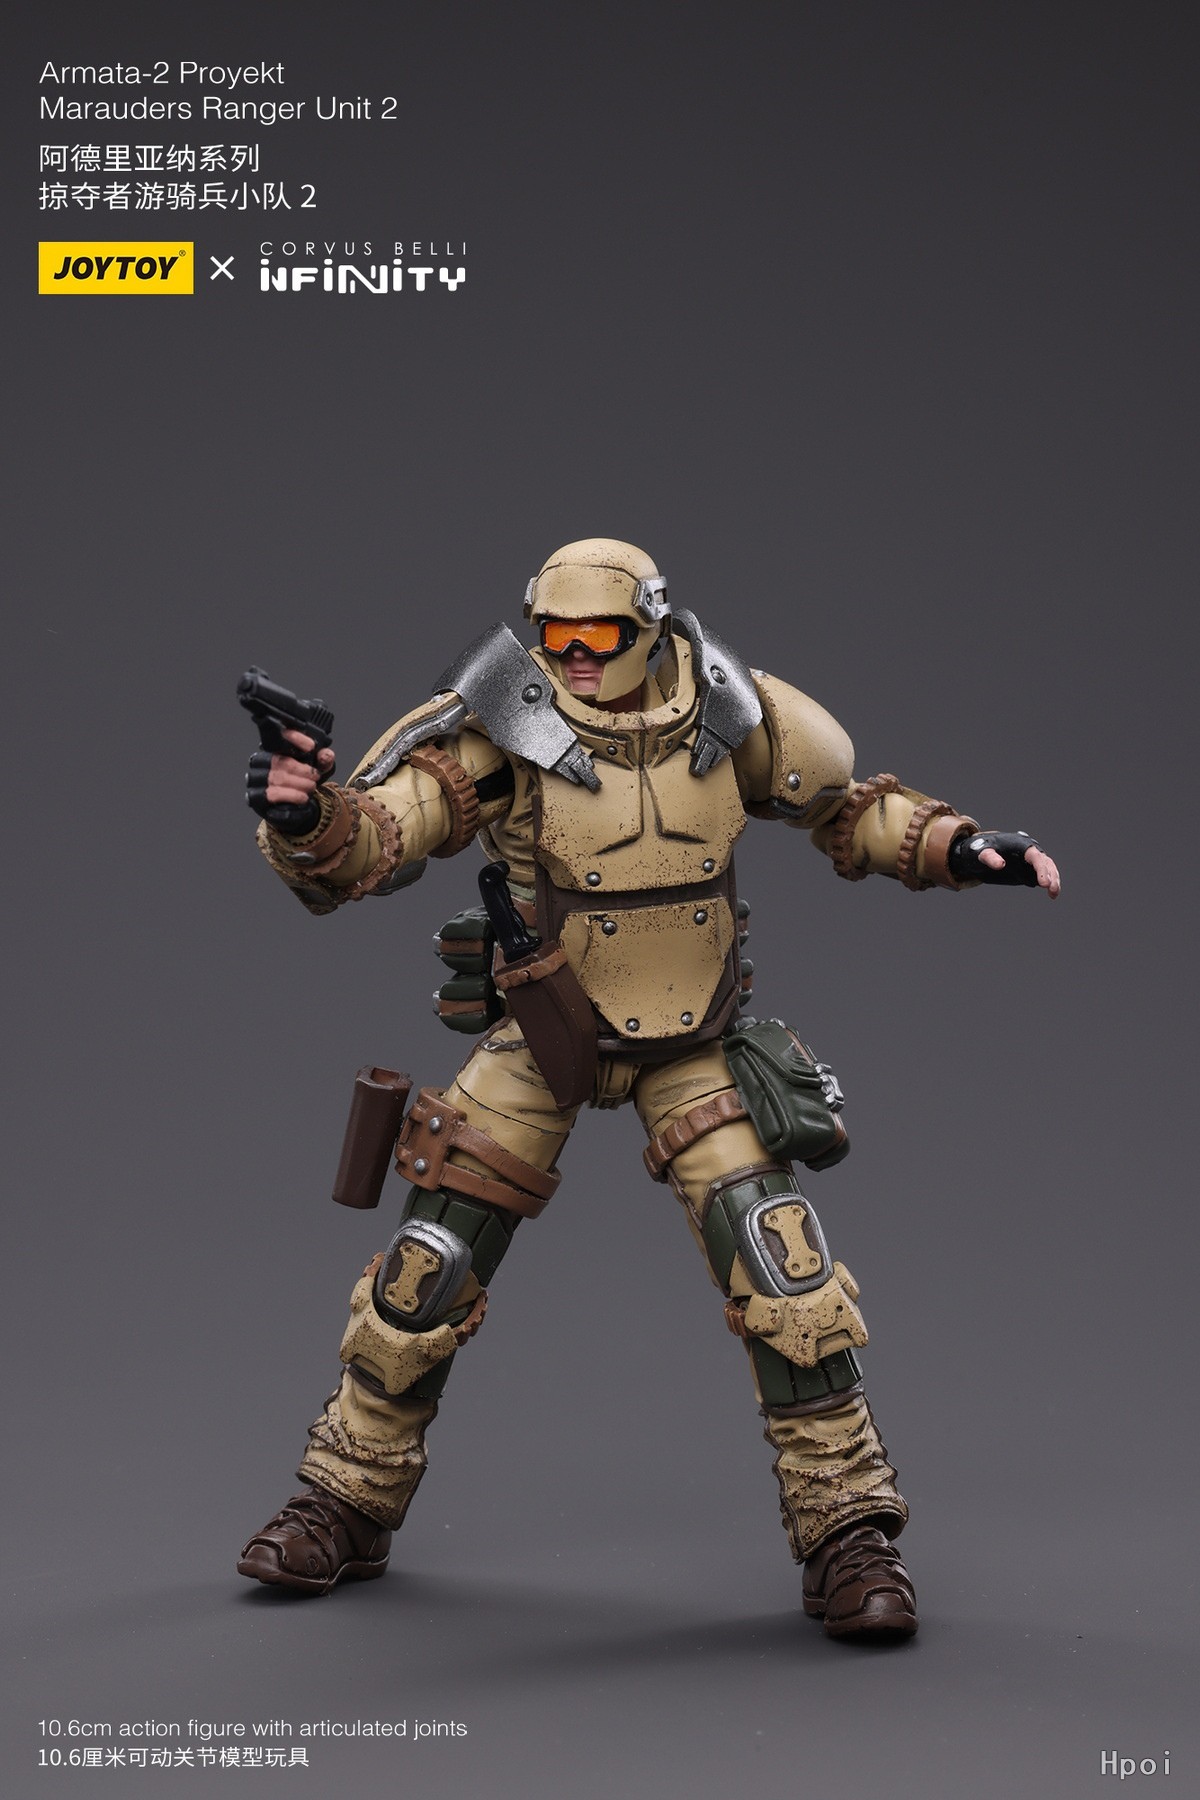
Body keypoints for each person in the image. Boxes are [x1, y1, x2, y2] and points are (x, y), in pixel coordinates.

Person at [237, 537, 1059, 1640]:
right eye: (555, 635)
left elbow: (845, 810)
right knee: (426, 1267)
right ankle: (344, 1498)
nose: (574, 656)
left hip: (693, 1045)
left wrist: (959, 847)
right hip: (543, 1038)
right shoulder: (504, 728)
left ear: (653, 627)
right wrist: (307, 818)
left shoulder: (735, 717)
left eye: (599, 635)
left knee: (786, 1272)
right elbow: (382, 838)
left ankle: (848, 1531)